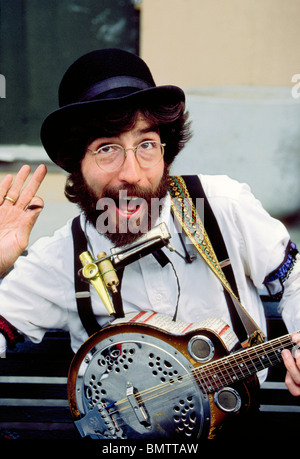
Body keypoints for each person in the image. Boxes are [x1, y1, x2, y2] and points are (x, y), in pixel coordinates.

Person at [0, 49, 299, 438]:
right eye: (107, 148)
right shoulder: (60, 257)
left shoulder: (220, 206)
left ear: (165, 150)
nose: (132, 173)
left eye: (146, 145)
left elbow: (293, 276)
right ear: (76, 163)